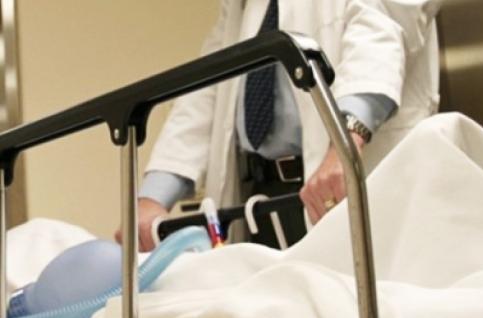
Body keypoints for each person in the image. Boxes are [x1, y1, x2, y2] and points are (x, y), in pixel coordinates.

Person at [117, 0, 440, 251]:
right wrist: (153, 196)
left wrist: (345, 144)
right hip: (258, 200)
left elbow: (381, 31)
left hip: (338, 184)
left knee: (350, 309)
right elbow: (207, 87)